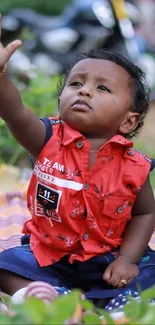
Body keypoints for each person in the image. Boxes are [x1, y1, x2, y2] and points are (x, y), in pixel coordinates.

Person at [0, 14, 155, 311]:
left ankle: (120, 305)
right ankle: (42, 297)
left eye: (103, 88)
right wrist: (1, 73)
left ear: (128, 121)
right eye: (76, 83)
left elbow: (146, 213)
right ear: (61, 100)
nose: (84, 90)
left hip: (109, 259)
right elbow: (14, 112)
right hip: (49, 256)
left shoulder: (135, 165)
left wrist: (127, 259)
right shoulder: (46, 139)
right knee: (7, 262)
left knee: (149, 271)